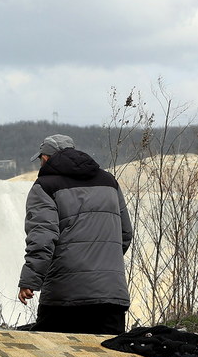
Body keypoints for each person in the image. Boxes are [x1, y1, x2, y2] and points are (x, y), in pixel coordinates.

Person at [17, 134, 133, 334]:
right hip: (111, 296)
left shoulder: (44, 187)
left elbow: (43, 239)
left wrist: (30, 281)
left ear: (45, 158)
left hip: (65, 298)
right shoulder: (109, 182)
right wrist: (101, 264)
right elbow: (125, 233)